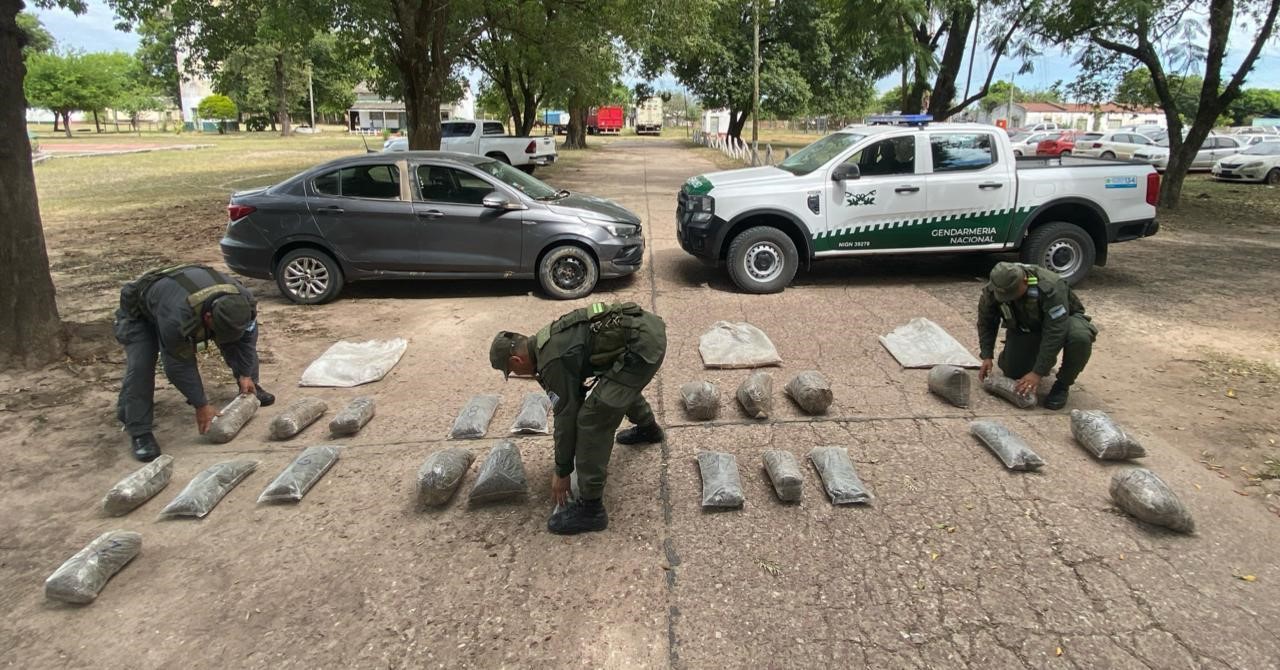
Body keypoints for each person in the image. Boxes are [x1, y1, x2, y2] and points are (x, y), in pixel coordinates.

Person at [490, 302, 667, 535]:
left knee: (592, 420)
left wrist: (562, 471)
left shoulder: (551, 362)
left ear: (516, 361)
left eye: (511, 371)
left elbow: (566, 417)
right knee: (614, 388)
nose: (516, 375)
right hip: (643, 331)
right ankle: (649, 430)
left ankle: (592, 510)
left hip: (643, 347)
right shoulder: (545, 340)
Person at [114, 264, 274, 462]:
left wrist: (246, 374)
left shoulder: (245, 303)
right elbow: (178, 365)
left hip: (180, 297)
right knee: (141, 366)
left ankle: (250, 385)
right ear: (207, 317)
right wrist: (201, 404)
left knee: (235, 342)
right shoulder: (178, 318)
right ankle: (139, 430)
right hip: (141, 312)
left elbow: (246, 340)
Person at [977, 261, 1097, 410]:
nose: (1008, 298)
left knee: (1080, 337)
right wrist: (987, 355)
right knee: (1014, 372)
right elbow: (986, 322)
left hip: (1064, 322)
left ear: (1025, 281)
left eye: (1012, 292)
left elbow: (1055, 331)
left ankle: (1063, 384)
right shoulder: (993, 290)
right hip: (1028, 327)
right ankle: (1020, 356)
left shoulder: (1050, 286)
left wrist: (1037, 373)